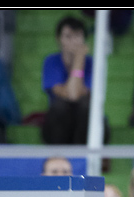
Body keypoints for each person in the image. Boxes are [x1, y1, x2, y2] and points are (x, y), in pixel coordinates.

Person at [41, 16, 108, 145]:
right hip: (59, 128)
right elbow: (72, 95)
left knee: (85, 106)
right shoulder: (51, 61)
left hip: (85, 128)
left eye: (77, 36)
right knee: (60, 106)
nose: (73, 41)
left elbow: (77, 95)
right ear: (58, 39)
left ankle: (85, 155)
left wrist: (79, 58)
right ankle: (58, 154)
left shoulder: (93, 63)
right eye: (68, 36)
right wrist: (79, 58)